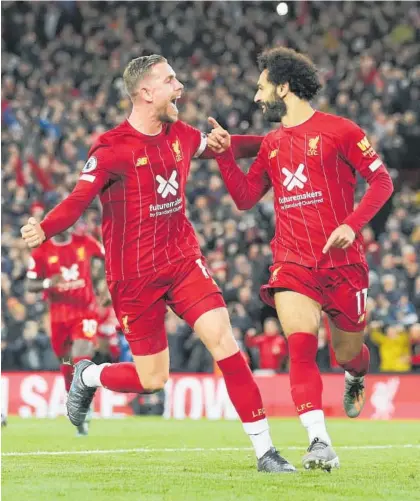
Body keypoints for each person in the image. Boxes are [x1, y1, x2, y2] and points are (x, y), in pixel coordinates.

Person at [21, 54, 295, 473]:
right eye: (170, 80)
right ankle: (88, 377)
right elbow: (79, 199)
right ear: (146, 92)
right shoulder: (111, 149)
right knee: (152, 379)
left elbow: (225, 145)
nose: (179, 86)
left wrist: (278, 140)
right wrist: (44, 226)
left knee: (224, 341)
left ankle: (265, 452)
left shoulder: (181, 134)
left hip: (182, 260)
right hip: (133, 277)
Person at [207, 46, 394, 471]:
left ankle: (356, 374)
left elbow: (381, 181)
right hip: (292, 262)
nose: (257, 97)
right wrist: (222, 155)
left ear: (284, 87)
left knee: (348, 353)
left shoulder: (341, 130)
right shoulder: (271, 145)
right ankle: (319, 441)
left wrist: (352, 224)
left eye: (261, 87)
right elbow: (244, 198)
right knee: (301, 348)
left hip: (344, 265)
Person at [26, 229, 104, 436]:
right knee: (67, 364)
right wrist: (48, 283)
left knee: (80, 354)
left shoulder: (84, 241)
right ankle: (75, 401)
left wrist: (105, 284)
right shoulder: (42, 251)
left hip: (85, 311)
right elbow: (29, 283)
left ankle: (84, 401)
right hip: (59, 318)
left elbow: (107, 258)